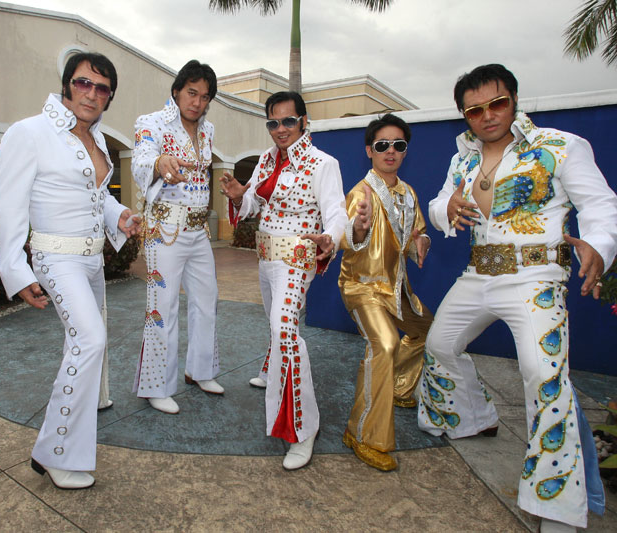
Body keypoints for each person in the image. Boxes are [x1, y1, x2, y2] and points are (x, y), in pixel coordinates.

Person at [418, 64, 617, 532]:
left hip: (535, 276)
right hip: (476, 273)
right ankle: (473, 417)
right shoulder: (462, 160)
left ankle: (557, 508)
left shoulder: (560, 145)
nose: (488, 116)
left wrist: (600, 246)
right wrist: (445, 208)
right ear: (464, 115)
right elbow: (438, 203)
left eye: (497, 103)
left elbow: (602, 204)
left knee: (543, 375)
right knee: (441, 346)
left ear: (514, 100)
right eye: (475, 109)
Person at [0, 52, 139, 490]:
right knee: (89, 340)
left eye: (102, 88)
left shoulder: (95, 140)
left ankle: (69, 436)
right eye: (83, 83)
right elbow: (7, 207)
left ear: (109, 97)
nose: (91, 93)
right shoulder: (29, 133)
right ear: (66, 85)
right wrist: (16, 273)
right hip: (56, 258)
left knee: (88, 343)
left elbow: (95, 195)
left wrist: (119, 215)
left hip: (92, 260)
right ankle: (53, 453)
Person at [220, 91, 347, 470]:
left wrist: (331, 237)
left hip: (297, 257)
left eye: (288, 121)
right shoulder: (265, 160)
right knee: (274, 323)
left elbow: (336, 211)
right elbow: (253, 205)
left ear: (304, 122)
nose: (280, 129)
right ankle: (270, 371)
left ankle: (302, 429)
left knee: (285, 330)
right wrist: (240, 194)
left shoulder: (323, 163)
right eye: (273, 122)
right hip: (265, 257)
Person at [338, 113, 433, 472]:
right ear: (369, 151)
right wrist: (358, 229)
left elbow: (414, 235)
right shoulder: (360, 194)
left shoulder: (408, 194)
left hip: (395, 289)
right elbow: (347, 237)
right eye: (382, 145)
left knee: (427, 329)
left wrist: (420, 242)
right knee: (385, 344)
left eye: (398, 145)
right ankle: (361, 434)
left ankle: (397, 387)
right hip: (361, 287)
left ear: (405, 151)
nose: (390, 151)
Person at [132, 60, 223, 415]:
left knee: (207, 299)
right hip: (165, 231)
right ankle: (156, 385)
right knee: (162, 308)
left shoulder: (209, 130)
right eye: (191, 93)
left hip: (199, 232)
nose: (197, 102)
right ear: (177, 91)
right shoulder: (151, 123)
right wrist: (159, 163)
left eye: (204, 97)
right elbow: (141, 161)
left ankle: (200, 371)